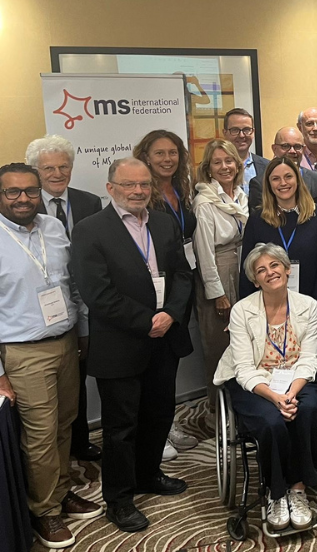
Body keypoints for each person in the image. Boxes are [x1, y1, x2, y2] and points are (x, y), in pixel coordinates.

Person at [72, 158, 195, 532]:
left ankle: (148, 475)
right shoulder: (89, 230)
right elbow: (97, 293)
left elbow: (182, 274)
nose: (138, 191)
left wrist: (170, 314)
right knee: (120, 427)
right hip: (121, 343)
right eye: (129, 185)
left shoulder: (164, 222)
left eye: (144, 184)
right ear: (111, 188)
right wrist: (147, 321)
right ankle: (119, 499)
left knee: (159, 414)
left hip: (165, 338)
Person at [0, 163, 103, 547]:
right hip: (23, 351)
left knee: (64, 425)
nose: (23, 199)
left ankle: (58, 493)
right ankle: (44, 510)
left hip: (65, 341)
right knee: (40, 436)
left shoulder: (54, 227)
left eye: (31, 191)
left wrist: (83, 331)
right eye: (12, 192)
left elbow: (71, 286)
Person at [213, 243, 317, 532]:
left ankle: (298, 489)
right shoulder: (242, 311)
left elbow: (309, 359)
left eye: (275, 265)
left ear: (287, 270)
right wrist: (275, 397)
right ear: (255, 280)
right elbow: (244, 369)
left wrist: (291, 394)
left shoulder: (308, 306)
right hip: (255, 381)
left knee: (309, 409)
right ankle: (277, 493)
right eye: (261, 270)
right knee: (271, 421)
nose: (270, 272)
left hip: (295, 377)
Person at [26, 135, 103, 463]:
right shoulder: (24, 206)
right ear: (36, 172)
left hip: (83, 300)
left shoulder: (89, 202)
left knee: (77, 379)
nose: (57, 174)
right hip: (40, 309)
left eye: (64, 166)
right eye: (48, 169)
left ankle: (79, 442)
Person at [133, 130, 199, 458]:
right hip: (153, 289)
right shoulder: (142, 194)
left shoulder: (182, 189)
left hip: (181, 282)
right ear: (145, 157)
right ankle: (152, 433)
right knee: (150, 364)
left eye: (172, 152)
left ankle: (165, 423)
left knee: (168, 363)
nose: (167, 159)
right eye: (159, 153)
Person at [240, 157, 317, 378]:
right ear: (269, 184)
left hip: (316, 306)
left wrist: (314, 307)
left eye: (288, 176)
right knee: (279, 371)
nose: (283, 183)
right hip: (271, 312)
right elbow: (248, 270)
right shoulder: (257, 220)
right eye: (276, 178)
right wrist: (245, 313)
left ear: (298, 180)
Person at [192, 139, 248, 418]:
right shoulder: (204, 202)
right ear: (208, 168)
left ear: (237, 164)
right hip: (218, 274)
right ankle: (218, 410)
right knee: (218, 345)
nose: (224, 167)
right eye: (217, 162)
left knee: (244, 342)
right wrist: (218, 294)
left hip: (241, 270)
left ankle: (243, 406)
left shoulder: (239, 196)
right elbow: (204, 253)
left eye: (229, 161)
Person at [248, 127, 317, 221]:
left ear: (303, 149)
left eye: (297, 146)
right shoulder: (259, 183)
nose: (292, 151)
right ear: (274, 149)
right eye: (285, 146)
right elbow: (258, 221)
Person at [221, 108, 262, 195]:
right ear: (224, 133)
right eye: (235, 130)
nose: (241, 135)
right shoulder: (213, 169)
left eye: (246, 130)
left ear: (253, 132)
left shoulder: (266, 166)